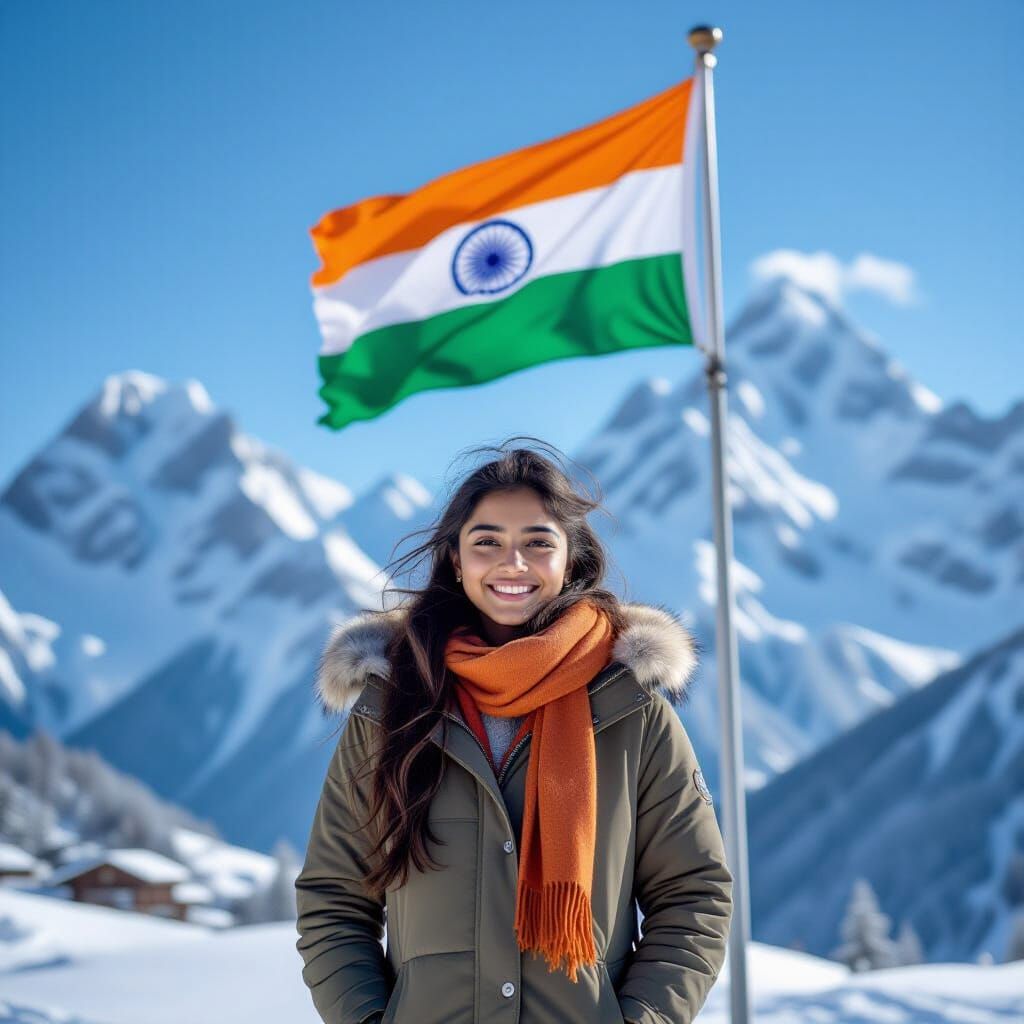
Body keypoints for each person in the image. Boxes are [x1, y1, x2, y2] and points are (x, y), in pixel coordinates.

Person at [295, 439, 733, 1023]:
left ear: (569, 557)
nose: (513, 564)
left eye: (537, 543)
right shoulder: (390, 710)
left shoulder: (632, 709)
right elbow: (334, 902)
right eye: (488, 543)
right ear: (456, 559)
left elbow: (693, 895)